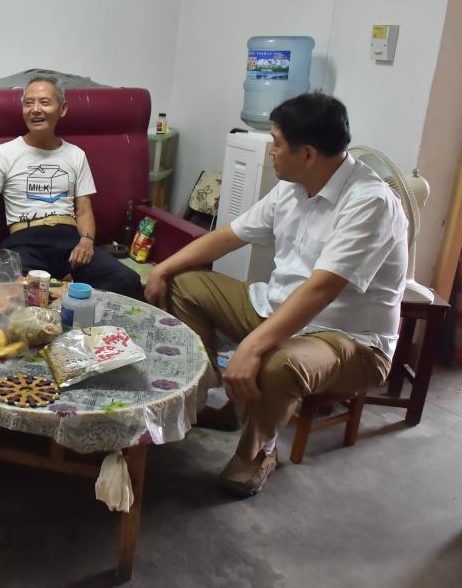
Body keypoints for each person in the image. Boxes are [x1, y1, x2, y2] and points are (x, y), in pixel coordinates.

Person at [144, 92, 408, 497]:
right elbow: (228, 236)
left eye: (277, 142)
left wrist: (251, 346)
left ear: (308, 153)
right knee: (183, 283)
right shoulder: (294, 186)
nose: (271, 151)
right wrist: (163, 268)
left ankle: (258, 452)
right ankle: (215, 399)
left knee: (279, 364)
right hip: (276, 308)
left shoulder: (370, 202)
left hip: (348, 339)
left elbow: (321, 290)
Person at [0, 76, 142, 299]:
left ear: (63, 108)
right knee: (11, 291)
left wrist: (87, 241)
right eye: (28, 103)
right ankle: (57, 295)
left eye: (44, 102)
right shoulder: (4, 153)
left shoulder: (76, 154)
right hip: (25, 240)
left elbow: (84, 210)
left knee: (127, 280)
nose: (35, 109)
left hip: (69, 239)